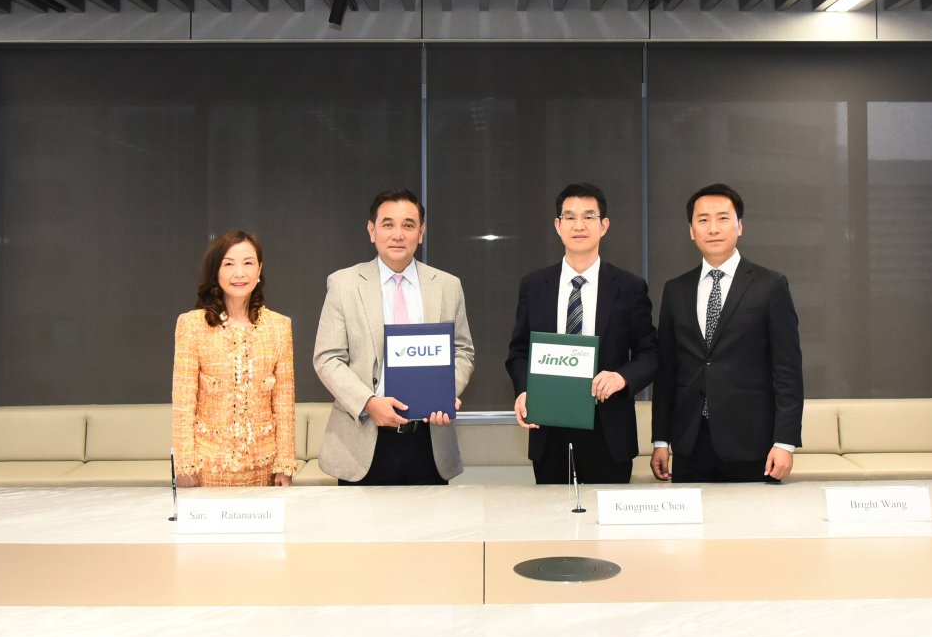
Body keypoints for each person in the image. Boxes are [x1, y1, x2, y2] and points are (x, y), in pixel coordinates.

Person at [312, 189, 474, 485]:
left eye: (408, 225)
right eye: (388, 224)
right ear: (372, 230)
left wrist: (445, 392)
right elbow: (327, 358)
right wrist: (368, 402)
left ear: (421, 233)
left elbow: (462, 351)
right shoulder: (344, 284)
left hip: (429, 440)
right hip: (362, 441)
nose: (398, 234)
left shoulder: (447, 286)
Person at [505, 183, 658, 484]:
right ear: (558, 226)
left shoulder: (628, 287)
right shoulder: (534, 286)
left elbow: (650, 353)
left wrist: (622, 377)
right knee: (552, 513)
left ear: (604, 226)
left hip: (608, 432)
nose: (579, 225)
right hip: (548, 427)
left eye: (589, 217)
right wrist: (524, 390)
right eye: (570, 217)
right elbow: (519, 352)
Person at [652, 184, 803, 483]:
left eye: (723, 218)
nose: (713, 228)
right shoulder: (675, 289)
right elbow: (667, 371)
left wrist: (785, 442)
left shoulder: (771, 286)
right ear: (691, 230)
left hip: (752, 442)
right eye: (703, 220)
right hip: (690, 442)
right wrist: (661, 440)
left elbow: (787, 370)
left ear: (739, 226)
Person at [171, 230, 296, 487]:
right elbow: (183, 402)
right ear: (216, 271)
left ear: (259, 269)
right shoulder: (192, 325)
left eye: (248, 263)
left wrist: (285, 466)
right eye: (229, 264)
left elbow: (284, 403)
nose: (240, 273)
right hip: (207, 469)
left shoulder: (279, 326)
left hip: (264, 470)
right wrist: (184, 465)